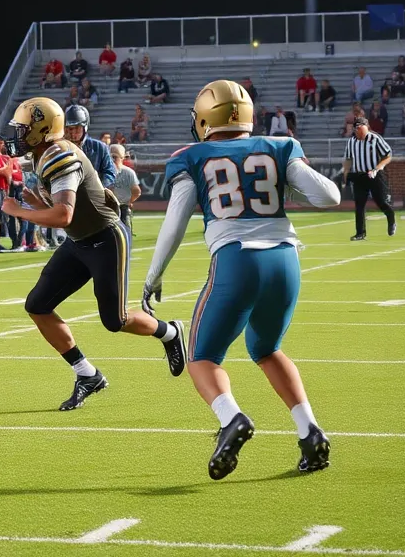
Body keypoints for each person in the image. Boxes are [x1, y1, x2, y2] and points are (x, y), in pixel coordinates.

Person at [141, 80, 341, 479]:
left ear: (203, 120)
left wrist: (153, 276)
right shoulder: (280, 146)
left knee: (201, 357)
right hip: (286, 261)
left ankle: (231, 417)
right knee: (267, 349)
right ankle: (310, 432)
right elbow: (330, 198)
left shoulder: (192, 156)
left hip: (237, 260)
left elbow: (176, 220)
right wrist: (284, 181)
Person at [1, 97, 185, 411]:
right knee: (37, 305)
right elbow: (63, 213)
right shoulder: (45, 153)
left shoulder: (59, 155)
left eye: (23, 129)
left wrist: (20, 211)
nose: (17, 136)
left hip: (105, 239)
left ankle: (170, 332)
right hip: (79, 241)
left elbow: (63, 215)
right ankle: (87, 374)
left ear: (41, 130)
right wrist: (34, 204)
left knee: (115, 320)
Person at [342, 117, 395, 241]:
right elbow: (348, 158)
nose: (360, 133)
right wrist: (346, 172)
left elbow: (387, 155)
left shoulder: (375, 138)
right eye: (358, 130)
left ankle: (391, 219)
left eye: (362, 130)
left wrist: (377, 168)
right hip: (359, 175)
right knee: (359, 205)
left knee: (381, 202)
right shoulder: (351, 142)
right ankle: (360, 233)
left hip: (374, 174)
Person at [63, 105, 117, 188]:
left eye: (77, 128)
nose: (73, 133)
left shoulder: (99, 148)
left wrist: (100, 188)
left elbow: (109, 172)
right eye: (70, 129)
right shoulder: (59, 148)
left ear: (85, 127)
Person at [108, 144, 140, 232]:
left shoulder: (128, 172)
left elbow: (137, 191)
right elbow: (136, 191)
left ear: (122, 158)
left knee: (122, 230)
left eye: (115, 157)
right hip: (111, 207)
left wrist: (129, 201)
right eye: (111, 157)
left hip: (118, 207)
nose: (113, 160)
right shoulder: (129, 172)